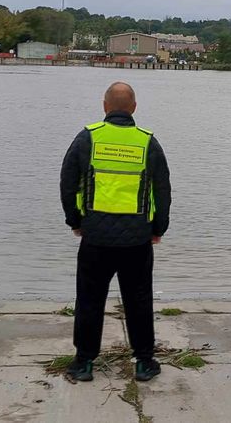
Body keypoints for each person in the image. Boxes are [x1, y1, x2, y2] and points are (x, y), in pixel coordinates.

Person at [59, 81, 171, 382]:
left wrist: (75, 222)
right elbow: (162, 190)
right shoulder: (148, 142)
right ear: (134, 108)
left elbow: (67, 184)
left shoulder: (87, 138)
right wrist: (158, 228)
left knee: (89, 299)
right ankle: (144, 362)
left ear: (105, 106)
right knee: (138, 298)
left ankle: (83, 363)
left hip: (95, 237)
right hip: (137, 239)